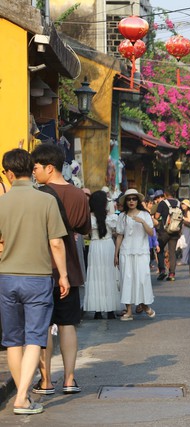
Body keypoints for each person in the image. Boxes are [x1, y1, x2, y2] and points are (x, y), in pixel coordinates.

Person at [0, 149, 69, 415]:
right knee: (34, 338)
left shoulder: (2, 203)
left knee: (13, 340)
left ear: (8, 172)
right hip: (38, 279)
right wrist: (63, 275)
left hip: (6, 278)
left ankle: (24, 395)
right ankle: (21, 398)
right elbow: (56, 243)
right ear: (32, 170)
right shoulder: (45, 200)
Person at [31, 143, 90, 397]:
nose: (34, 173)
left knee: (43, 326)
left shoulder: (39, 194)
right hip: (71, 269)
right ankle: (69, 379)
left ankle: (46, 382)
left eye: (36, 168)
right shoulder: (78, 195)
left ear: (49, 167)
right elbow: (84, 229)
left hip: (42, 267)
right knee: (68, 324)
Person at [114, 189, 156, 321]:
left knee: (142, 279)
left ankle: (144, 304)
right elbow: (120, 235)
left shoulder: (144, 214)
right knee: (127, 279)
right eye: (129, 199)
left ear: (138, 201)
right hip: (126, 251)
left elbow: (151, 233)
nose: (131, 201)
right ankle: (129, 311)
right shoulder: (122, 216)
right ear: (125, 201)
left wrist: (142, 222)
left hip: (141, 251)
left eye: (134, 199)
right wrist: (116, 254)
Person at [84, 191, 119, 320]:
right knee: (109, 277)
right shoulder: (111, 217)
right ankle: (110, 310)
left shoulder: (89, 218)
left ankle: (98, 311)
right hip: (108, 246)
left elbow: (86, 233)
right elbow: (117, 232)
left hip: (95, 246)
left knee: (96, 277)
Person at [154, 189, 181, 281]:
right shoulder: (178, 203)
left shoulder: (162, 203)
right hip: (175, 231)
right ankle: (172, 273)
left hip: (164, 231)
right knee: (172, 252)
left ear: (165, 194)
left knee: (159, 249)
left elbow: (157, 217)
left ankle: (162, 270)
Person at [178, 199, 190, 265]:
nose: (183, 205)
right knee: (186, 244)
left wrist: (183, 218)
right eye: (182, 204)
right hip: (186, 228)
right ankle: (186, 260)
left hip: (187, 228)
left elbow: (189, 220)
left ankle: (184, 260)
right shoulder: (186, 211)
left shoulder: (188, 211)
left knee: (185, 244)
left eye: (184, 204)